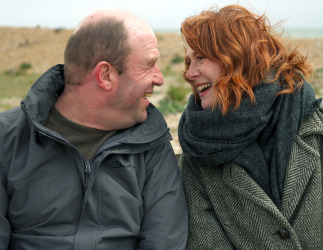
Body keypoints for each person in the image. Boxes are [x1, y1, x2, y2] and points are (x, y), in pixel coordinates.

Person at [0, 9, 188, 249]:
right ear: (105, 75)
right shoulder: (7, 138)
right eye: (149, 65)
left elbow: (164, 243)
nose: (159, 78)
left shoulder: (151, 144)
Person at [178, 4, 323, 249]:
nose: (189, 74)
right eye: (188, 62)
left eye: (200, 58)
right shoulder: (196, 154)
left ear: (238, 56)